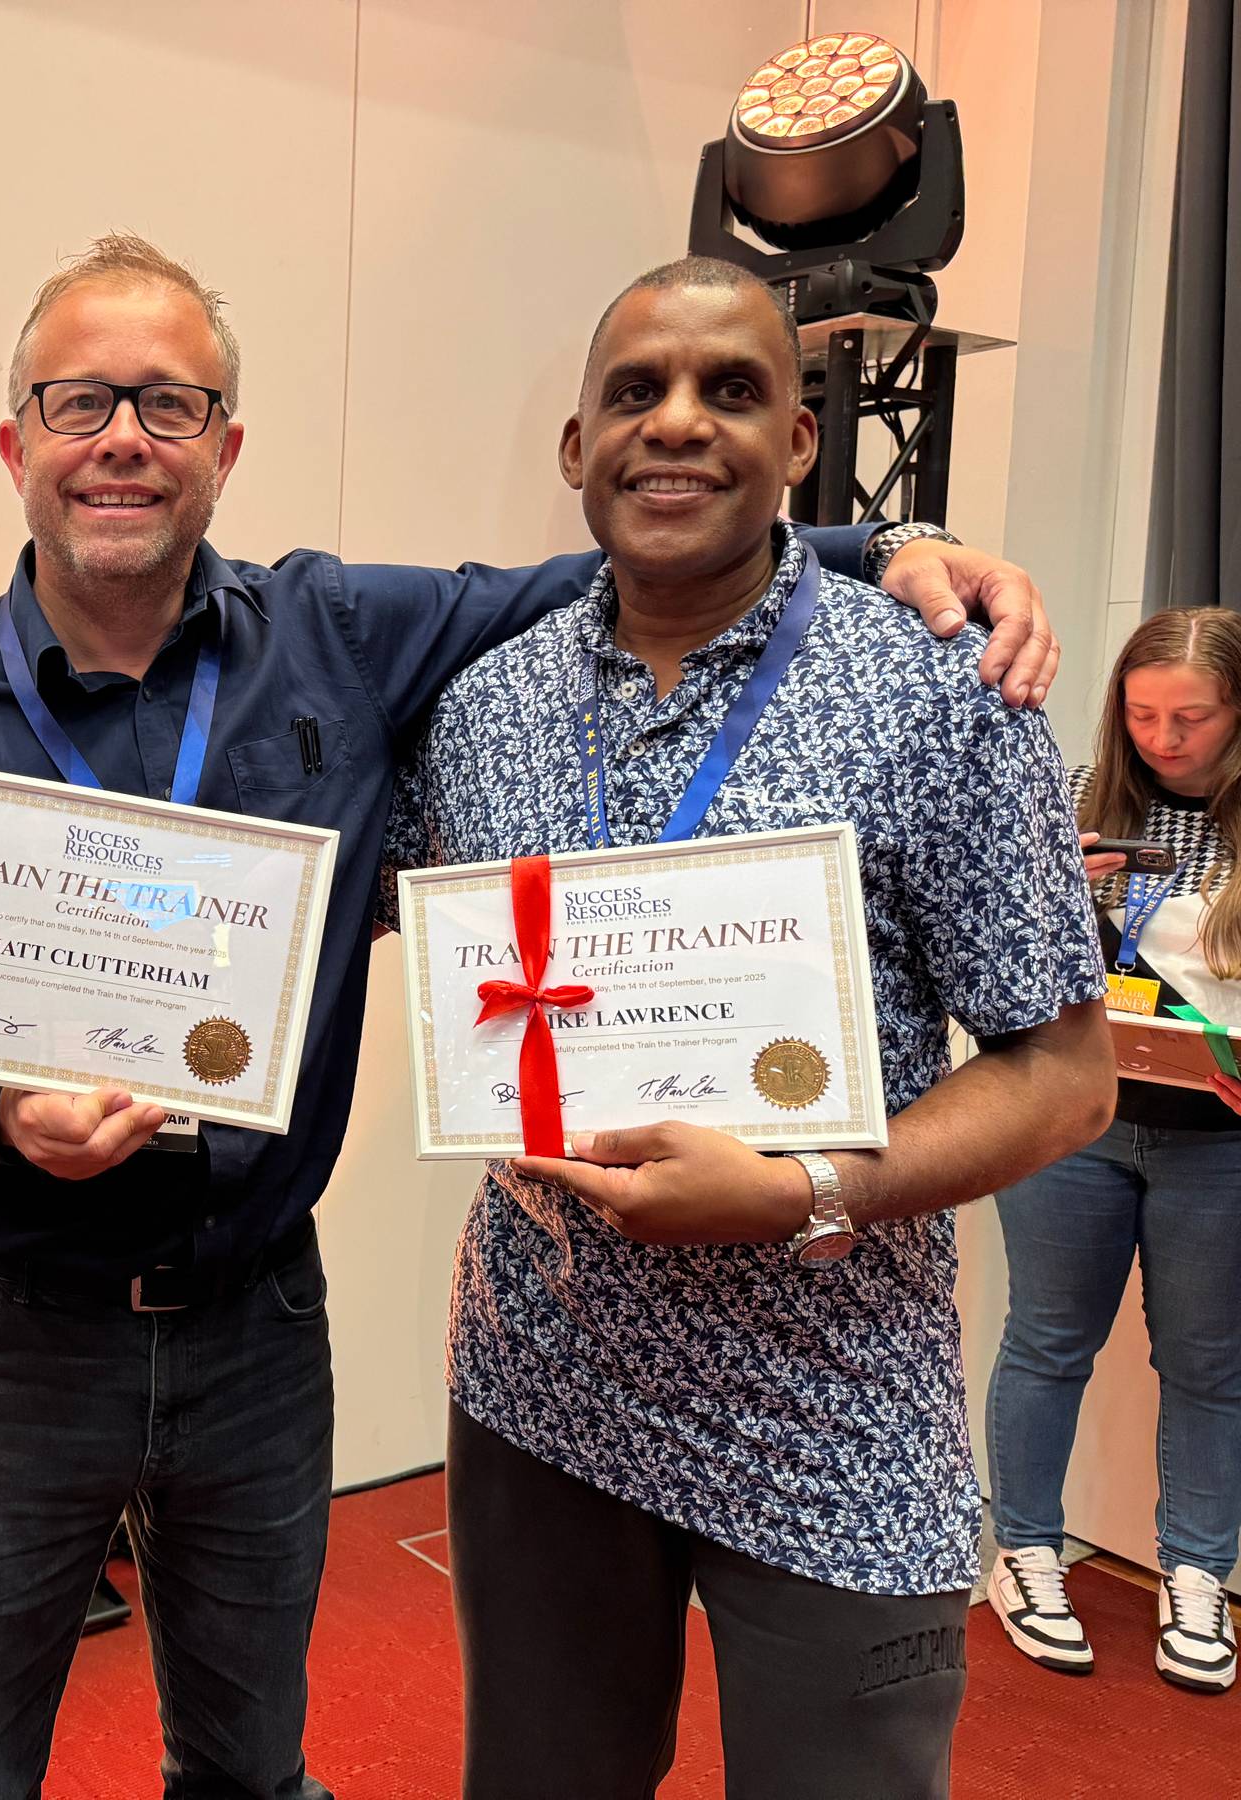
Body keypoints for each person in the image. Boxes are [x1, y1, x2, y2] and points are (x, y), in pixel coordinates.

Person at [0, 232, 1062, 1799]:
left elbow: (647, 547)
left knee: (251, 1767)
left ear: (228, 447)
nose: (122, 438)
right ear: (14, 439)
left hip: (263, 1324)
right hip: (13, 1332)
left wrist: (897, 541)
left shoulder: (347, 642)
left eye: (170, 404)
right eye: (78, 400)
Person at [376, 254, 1115, 1800]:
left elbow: (1064, 1079)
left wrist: (800, 1190)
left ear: (798, 440)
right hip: (543, 1386)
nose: (677, 423)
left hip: (833, 1405)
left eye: (731, 390)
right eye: (635, 391)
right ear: (577, 444)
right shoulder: (479, 709)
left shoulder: (940, 689)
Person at [984, 606, 1241, 1697]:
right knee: (1048, 1340)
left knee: (1210, 1364)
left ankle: (1200, 1572)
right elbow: (991, 953)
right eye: (1142, 715)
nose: (1164, 740)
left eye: (1192, 717)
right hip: (1072, 1120)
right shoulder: (1080, 792)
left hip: (1219, 1141)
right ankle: (1024, 1549)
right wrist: (1050, 886)